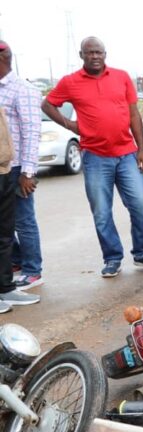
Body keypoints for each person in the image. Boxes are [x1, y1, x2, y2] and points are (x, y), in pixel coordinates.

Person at [42, 37, 143, 278]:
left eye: (99, 52)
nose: (95, 56)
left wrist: (142, 149)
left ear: (105, 54)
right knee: (102, 212)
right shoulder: (70, 82)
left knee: (139, 204)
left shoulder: (121, 77)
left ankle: (142, 252)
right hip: (95, 157)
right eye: (90, 53)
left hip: (127, 154)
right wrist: (71, 124)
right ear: (81, 55)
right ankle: (112, 258)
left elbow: (134, 115)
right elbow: (47, 104)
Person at [0, 41, 44, 291]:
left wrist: (28, 173)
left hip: (17, 169)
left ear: (3, 58)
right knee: (5, 224)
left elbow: (31, 132)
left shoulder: (22, 90)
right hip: (2, 167)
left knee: (24, 221)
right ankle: (16, 260)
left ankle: (32, 269)